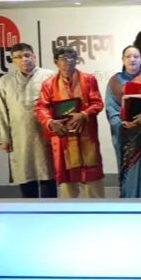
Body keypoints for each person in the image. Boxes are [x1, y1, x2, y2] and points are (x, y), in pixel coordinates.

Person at [34, 46, 105, 198]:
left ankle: (98, 210)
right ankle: (68, 210)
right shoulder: (49, 84)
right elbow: (41, 107)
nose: (68, 61)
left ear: (76, 60)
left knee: (93, 184)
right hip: (63, 138)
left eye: (72, 57)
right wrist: (50, 122)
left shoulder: (88, 79)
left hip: (86, 134)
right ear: (56, 62)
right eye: (63, 59)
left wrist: (84, 114)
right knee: (67, 187)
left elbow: (97, 103)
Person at [0, 43, 56, 198]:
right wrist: (4, 138)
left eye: (26, 55)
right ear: (13, 61)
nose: (23, 60)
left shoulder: (49, 76)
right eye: (18, 57)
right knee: (25, 175)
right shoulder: (5, 81)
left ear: (34, 57)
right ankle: (30, 209)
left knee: (47, 175)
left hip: (45, 135)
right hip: (19, 137)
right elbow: (1, 111)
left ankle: (49, 210)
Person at [105, 45, 141, 198]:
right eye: (128, 56)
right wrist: (120, 122)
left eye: (136, 56)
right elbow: (110, 107)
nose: (132, 60)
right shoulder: (115, 81)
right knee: (128, 172)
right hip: (125, 135)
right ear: (122, 60)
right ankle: (128, 203)